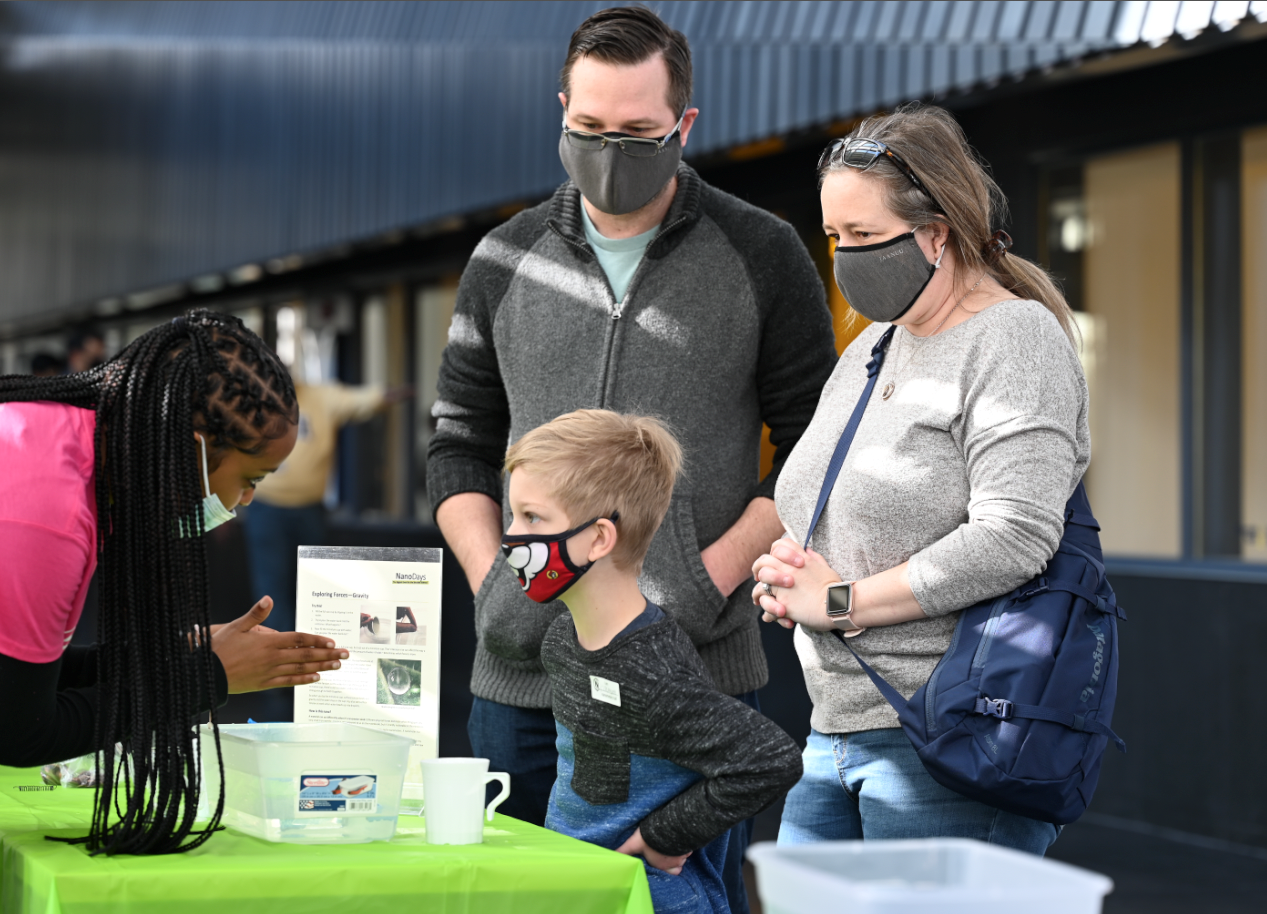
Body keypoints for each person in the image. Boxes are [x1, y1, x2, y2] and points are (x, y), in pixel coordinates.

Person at [428, 9, 832, 908]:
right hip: (520, 681)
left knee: (672, 898)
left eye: (639, 134)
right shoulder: (503, 259)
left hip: (685, 679)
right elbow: (456, 445)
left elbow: (815, 444)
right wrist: (502, 577)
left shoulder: (763, 253)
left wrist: (708, 578)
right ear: (563, 110)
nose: (612, 150)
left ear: (684, 126)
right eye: (590, 130)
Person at [752, 104, 1088, 854]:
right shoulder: (871, 347)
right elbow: (821, 497)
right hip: (835, 728)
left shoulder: (1014, 337)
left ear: (937, 232)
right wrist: (789, 567)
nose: (843, 258)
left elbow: (1016, 534)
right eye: (834, 237)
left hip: (949, 732)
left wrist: (839, 601)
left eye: (863, 237)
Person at [0, 310, 349, 855]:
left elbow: (18, 675)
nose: (247, 501)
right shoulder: (47, 515)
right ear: (194, 448)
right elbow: (23, 731)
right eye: (250, 479)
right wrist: (205, 676)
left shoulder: (61, 444)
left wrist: (175, 656)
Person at [505, 410, 802, 914]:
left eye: (531, 518)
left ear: (599, 538)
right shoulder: (561, 640)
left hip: (655, 899)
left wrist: (663, 834)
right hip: (581, 889)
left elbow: (769, 759)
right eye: (512, 516)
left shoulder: (651, 671)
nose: (511, 538)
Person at [245, 380, 409, 634]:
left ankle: (311, 651)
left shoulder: (321, 397)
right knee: (271, 588)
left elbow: (362, 399)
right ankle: (279, 656)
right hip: (265, 508)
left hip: (310, 509)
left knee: (316, 587)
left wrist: (391, 393)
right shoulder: (252, 399)